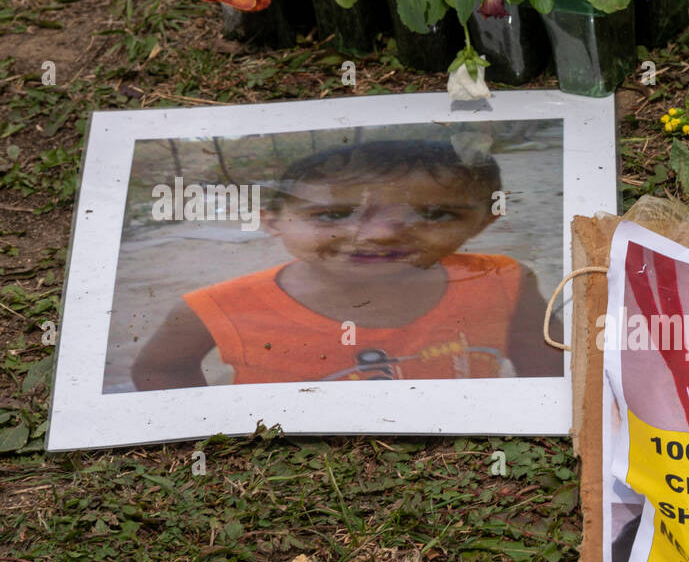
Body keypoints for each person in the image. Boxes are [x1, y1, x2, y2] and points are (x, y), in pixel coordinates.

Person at [131, 139, 562, 390]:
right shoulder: (218, 307)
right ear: (272, 221)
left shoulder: (504, 283)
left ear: (484, 221)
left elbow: (548, 368)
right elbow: (158, 369)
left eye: (435, 214)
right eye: (335, 215)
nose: (382, 234)